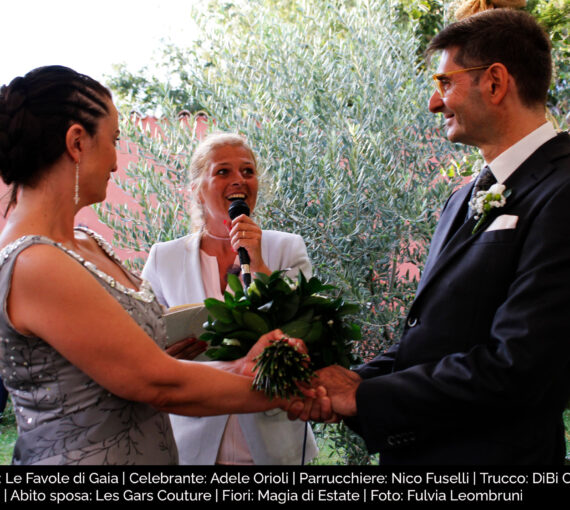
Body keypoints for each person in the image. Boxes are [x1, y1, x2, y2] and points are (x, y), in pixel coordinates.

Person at [0, 66, 314, 465]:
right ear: (77, 142)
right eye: (114, 140)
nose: (117, 161)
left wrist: (240, 366)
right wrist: (297, 388)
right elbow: (158, 382)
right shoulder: (35, 263)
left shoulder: (85, 242)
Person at [304, 8, 570, 464]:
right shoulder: (465, 195)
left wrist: (365, 398)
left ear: (495, 82)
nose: (434, 102)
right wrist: (350, 382)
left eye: (445, 82)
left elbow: (519, 366)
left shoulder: (563, 190)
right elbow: (435, 338)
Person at [142, 132, 318, 465]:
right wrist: (163, 352)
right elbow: (141, 343)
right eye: (223, 171)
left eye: (247, 171)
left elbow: (306, 330)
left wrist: (260, 263)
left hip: (274, 437)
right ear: (197, 187)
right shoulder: (163, 258)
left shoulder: (287, 248)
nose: (239, 180)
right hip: (192, 441)